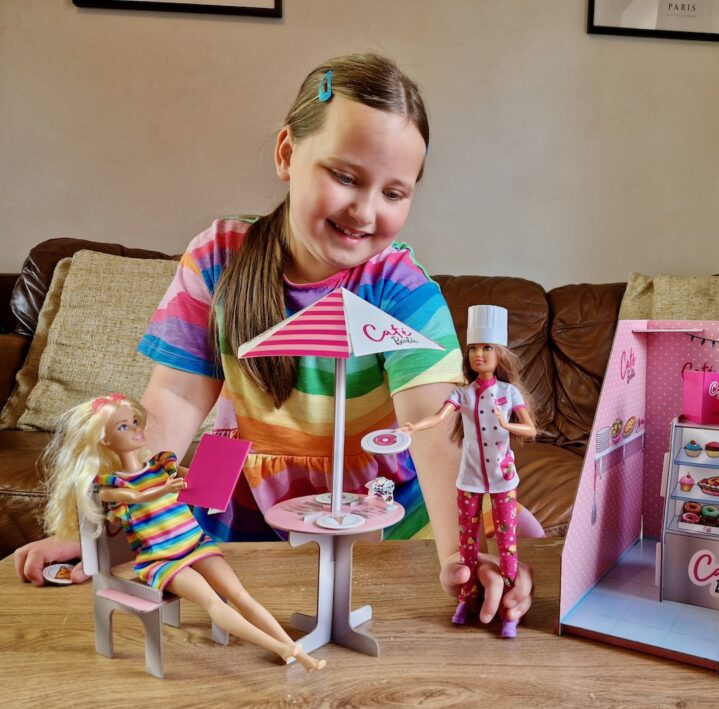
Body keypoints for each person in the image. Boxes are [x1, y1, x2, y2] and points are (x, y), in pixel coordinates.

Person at [15, 52, 535, 627]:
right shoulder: (219, 257)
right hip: (237, 487)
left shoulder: (402, 287)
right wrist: (102, 533)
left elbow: (437, 432)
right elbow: (177, 401)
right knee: (177, 587)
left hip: (370, 504)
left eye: (395, 193)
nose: (365, 211)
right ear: (287, 154)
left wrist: (459, 555)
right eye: (345, 177)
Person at [43, 393, 325, 671]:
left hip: (196, 544)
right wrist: (165, 489)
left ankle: (289, 645)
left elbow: (196, 478)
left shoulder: (161, 465)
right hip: (163, 561)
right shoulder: (112, 485)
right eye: (123, 427)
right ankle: (284, 649)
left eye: (135, 422)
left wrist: (217, 470)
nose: (135, 429)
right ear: (105, 441)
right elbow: (135, 499)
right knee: (211, 602)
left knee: (241, 595)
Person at [400, 305, 536, 638]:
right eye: (474, 348)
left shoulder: (509, 393)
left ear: (499, 354)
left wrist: (509, 425)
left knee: (507, 544)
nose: (479, 354)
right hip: (470, 479)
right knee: (467, 546)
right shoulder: (463, 393)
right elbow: (439, 417)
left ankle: (509, 609)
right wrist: (414, 427)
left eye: (486, 348)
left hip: (503, 479)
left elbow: (530, 429)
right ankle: (465, 598)